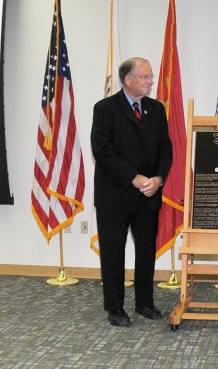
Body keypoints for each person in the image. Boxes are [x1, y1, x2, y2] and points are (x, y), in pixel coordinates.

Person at [91, 57, 173, 327]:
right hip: (115, 195)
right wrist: (135, 178)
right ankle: (115, 308)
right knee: (113, 252)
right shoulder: (105, 109)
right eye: (145, 77)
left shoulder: (156, 109)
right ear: (128, 80)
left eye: (151, 76)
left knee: (146, 251)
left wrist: (158, 179)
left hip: (148, 194)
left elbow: (165, 148)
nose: (151, 81)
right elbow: (103, 152)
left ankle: (145, 303)